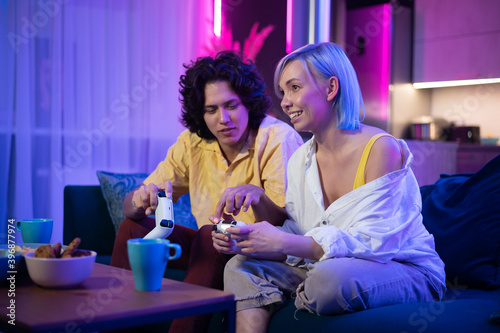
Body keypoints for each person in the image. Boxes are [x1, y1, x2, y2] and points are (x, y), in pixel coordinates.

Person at [212, 42, 447, 333]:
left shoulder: (380, 148)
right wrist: (246, 237)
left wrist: (284, 244)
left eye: (294, 88)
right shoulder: (301, 158)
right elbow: (300, 229)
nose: (284, 102)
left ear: (331, 88)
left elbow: (375, 243)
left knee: (328, 279)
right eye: (283, 92)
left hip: (401, 268)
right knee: (240, 266)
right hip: (326, 266)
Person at [109, 51, 303, 333]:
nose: (223, 118)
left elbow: (288, 226)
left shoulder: (277, 138)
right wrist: (140, 200)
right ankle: (117, 326)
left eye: (231, 105)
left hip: (260, 252)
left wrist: (256, 196)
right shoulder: (192, 143)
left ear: (248, 102)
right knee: (132, 227)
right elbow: (130, 205)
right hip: (211, 248)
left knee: (210, 234)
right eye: (211, 110)